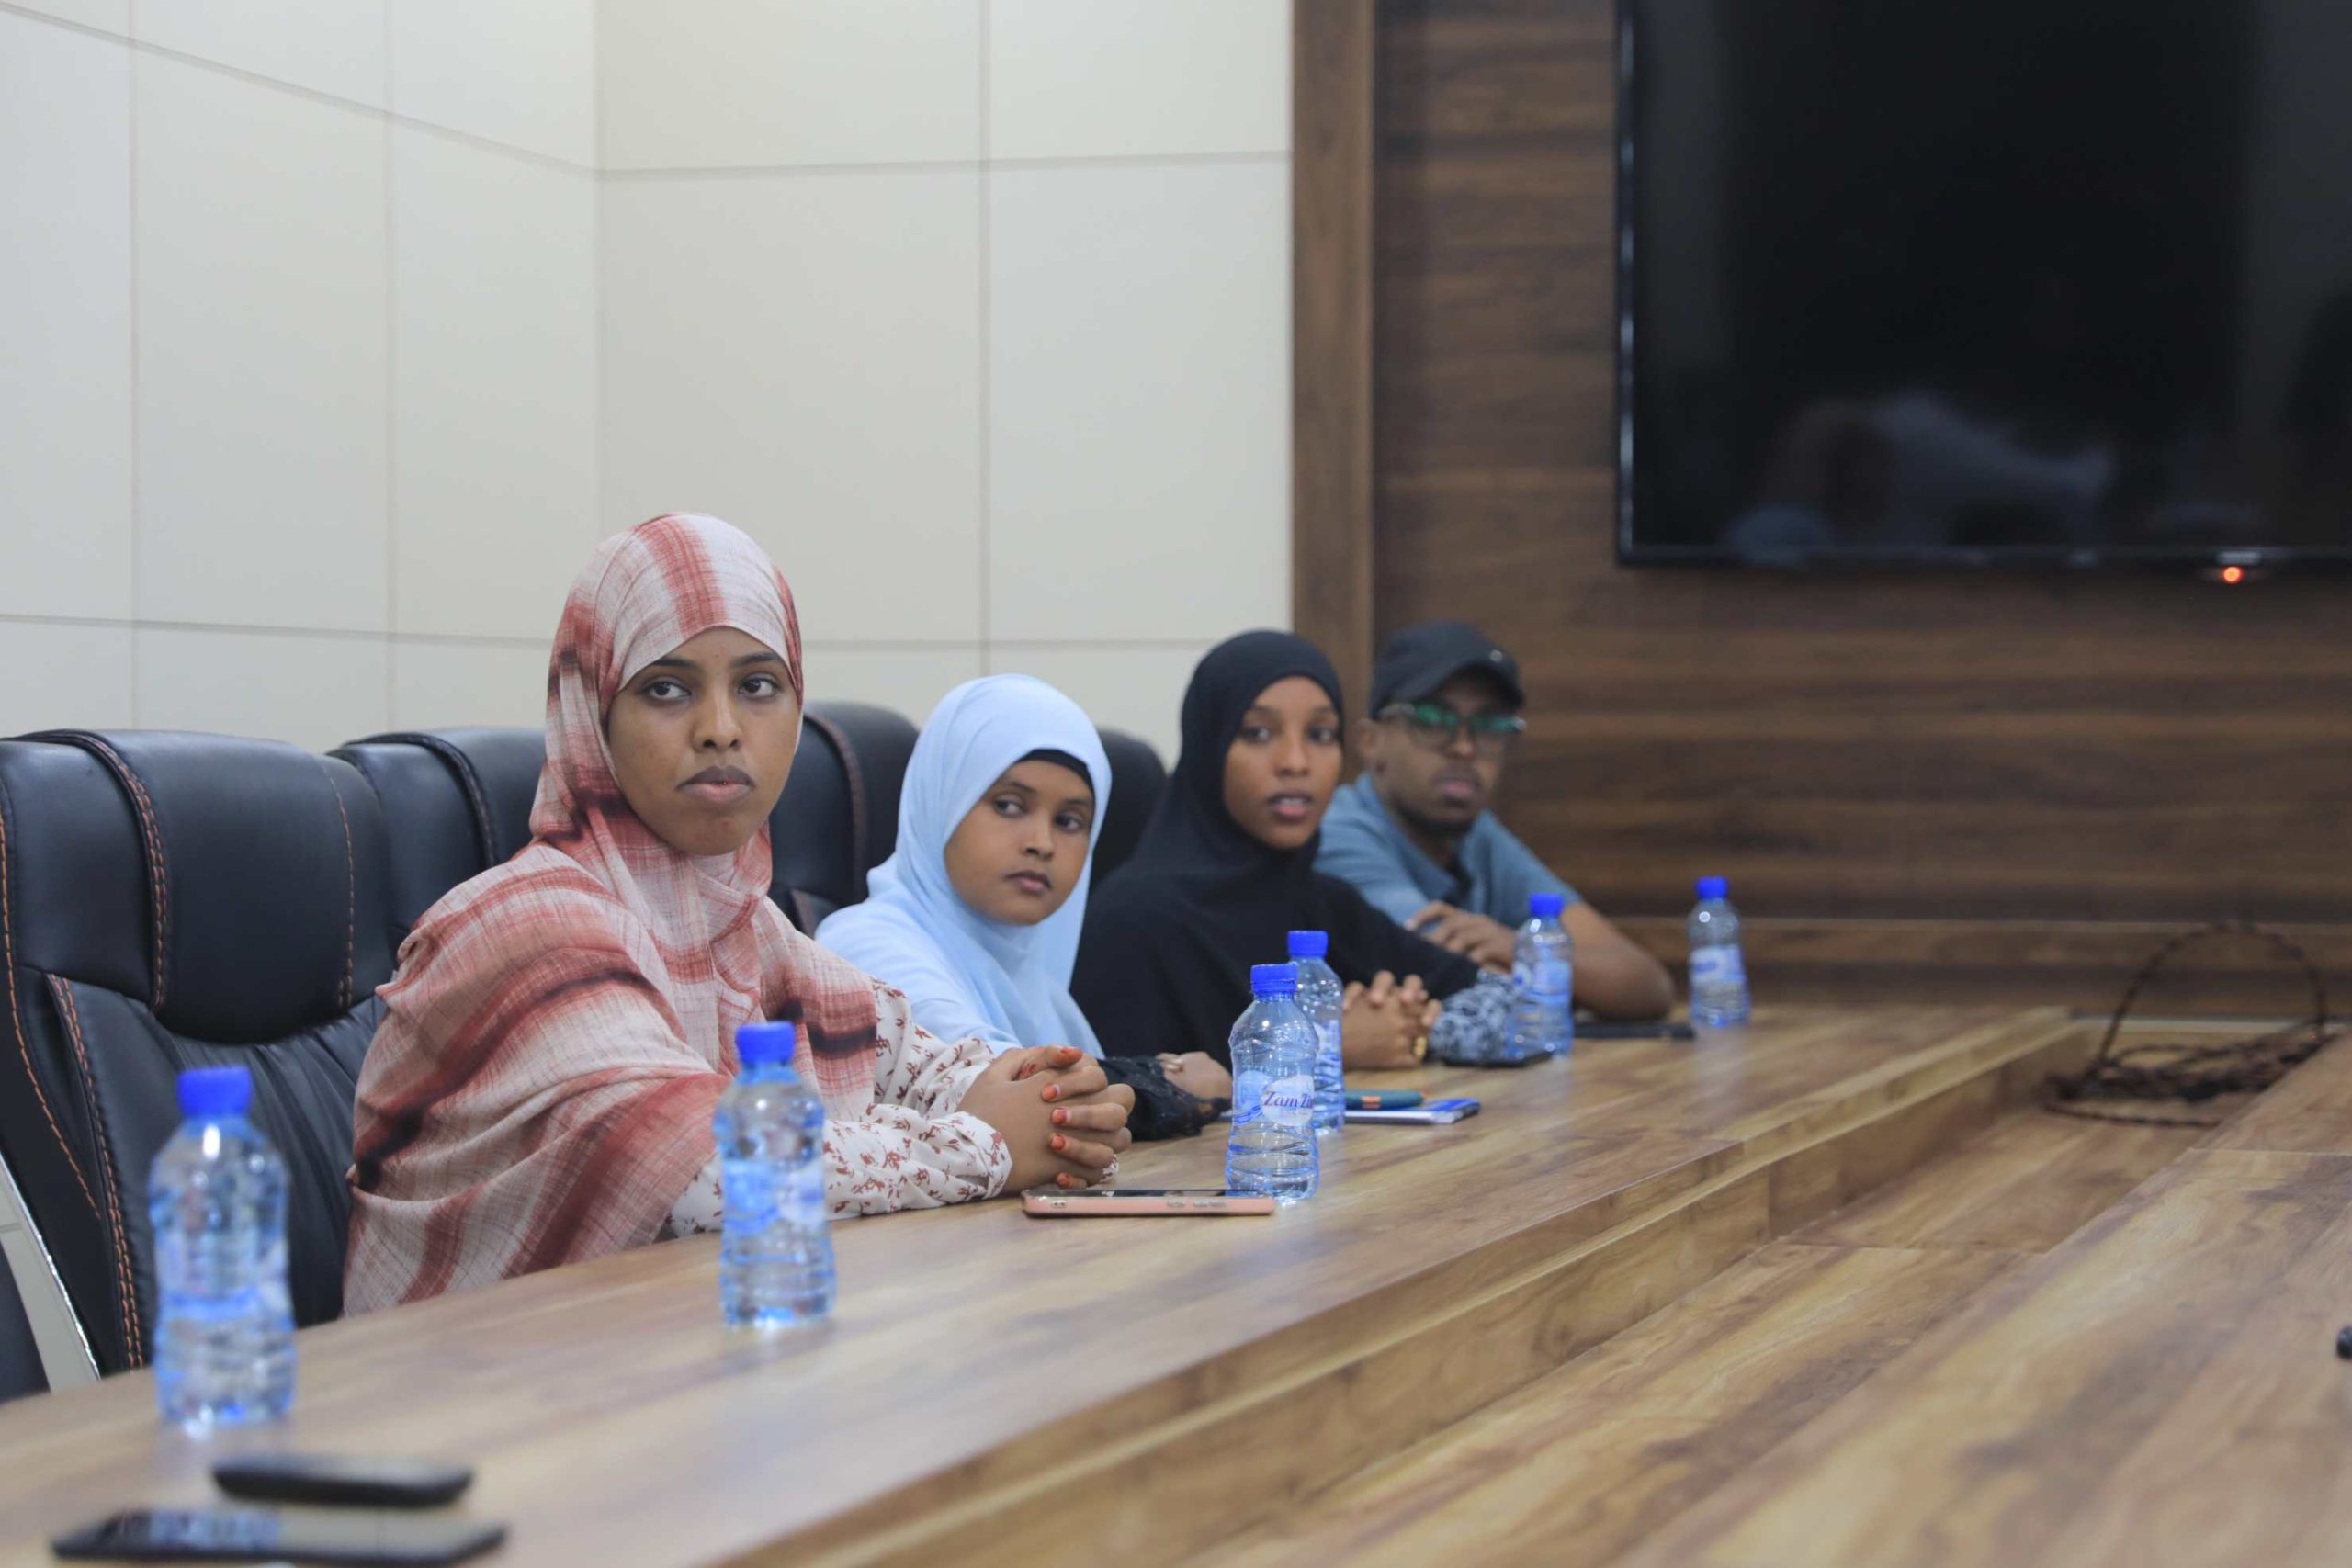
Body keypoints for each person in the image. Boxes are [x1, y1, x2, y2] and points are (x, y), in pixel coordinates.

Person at [344, 515, 1132, 1312]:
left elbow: (909, 1056)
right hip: (475, 1372)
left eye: (757, 686)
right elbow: (704, 1174)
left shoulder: (742, 927)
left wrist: (1046, 1098)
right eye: (667, 688)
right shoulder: (524, 928)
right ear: (593, 713)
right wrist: (985, 1144)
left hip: (662, 1350)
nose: (721, 730)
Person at [1072, 630, 1515, 1071]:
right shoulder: (1132, 922)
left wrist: (1414, 1030)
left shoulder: (1322, 902)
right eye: (1259, 733)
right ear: (1210, 748)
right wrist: (1325, 1045)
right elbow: (1125, 1095)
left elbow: (1515, 1010)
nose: (1296, 763)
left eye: (1320, 734)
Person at [818, 675, 1227, 1135]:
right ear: (942, 803)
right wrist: (1164, 1079)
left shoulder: (1036, 985)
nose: (1041, 843)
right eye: (1009, 806)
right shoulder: (863, 948)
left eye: (1069, 821)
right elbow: (1001, 1093)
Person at [1316, 620, 1675, 1020]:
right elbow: (1465, 982)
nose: (1465, 748)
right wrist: (1553, 968)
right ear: (1371, 742)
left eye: (1488, 726)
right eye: (1433, 720)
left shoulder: (1478, 836)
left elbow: (1646, 984)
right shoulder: (1337, 833)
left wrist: (1516, 947)